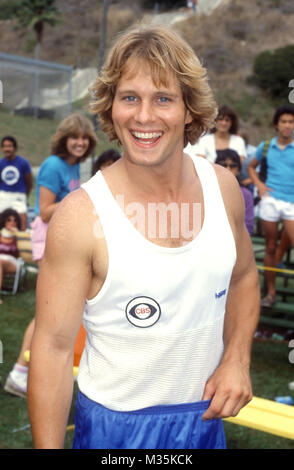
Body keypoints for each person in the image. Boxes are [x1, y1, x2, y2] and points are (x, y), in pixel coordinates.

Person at [28, 26, 260, 450]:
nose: (144, 116)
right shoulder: (80, 216)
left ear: (190, 110)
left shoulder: (223, 187)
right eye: (129, 97)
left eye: (163, 99)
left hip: (204, 420)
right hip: (116, 429)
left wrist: (237, 359)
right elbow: (53, 352)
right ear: (111, 107)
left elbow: (244, 278)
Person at [3, 113, 97, 398]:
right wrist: (83, 199)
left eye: (84, 138)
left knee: (56, 309)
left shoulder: (73, 166)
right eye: (74, 138)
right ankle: (20, 372)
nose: (79, 143)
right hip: (48, 240)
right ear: (64, 140)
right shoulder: (54, 165)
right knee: (49, 310)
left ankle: (27, 371)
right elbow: (44, 211)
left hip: (63, 239)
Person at [248, 104, 294, 308]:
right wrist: (259, 184)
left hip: (291, 202)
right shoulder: (266, 146)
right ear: (276, 124)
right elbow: (250, 167)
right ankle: (271, 292)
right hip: (270, 201)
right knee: (270, 246)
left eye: (291, 121)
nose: (287, 125)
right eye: (283, 121)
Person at [215, 149, 254, 235]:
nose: (228, 168)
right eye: (223, 164)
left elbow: (249, 227)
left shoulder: (246, 195)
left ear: (238, 169)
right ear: (215, 166)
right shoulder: (206, 189)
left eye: (233, 165)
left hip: (235, 240)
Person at [0, 136, 32, 230]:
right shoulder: (1, 163)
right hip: (4, 194)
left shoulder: (23, 163)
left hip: (19, 195)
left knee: (22, 220)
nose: (7, 149)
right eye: (5, 146)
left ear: (14, 148)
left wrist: (24, 196)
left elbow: (29, 182)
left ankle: (22, 242)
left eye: (9, 146)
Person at [0, 208, 22, 305]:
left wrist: (17, 233)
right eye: (9, 220)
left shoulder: (19, 236)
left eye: (15, 220)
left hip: (12, 262)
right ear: (3, 220)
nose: (12, 222)